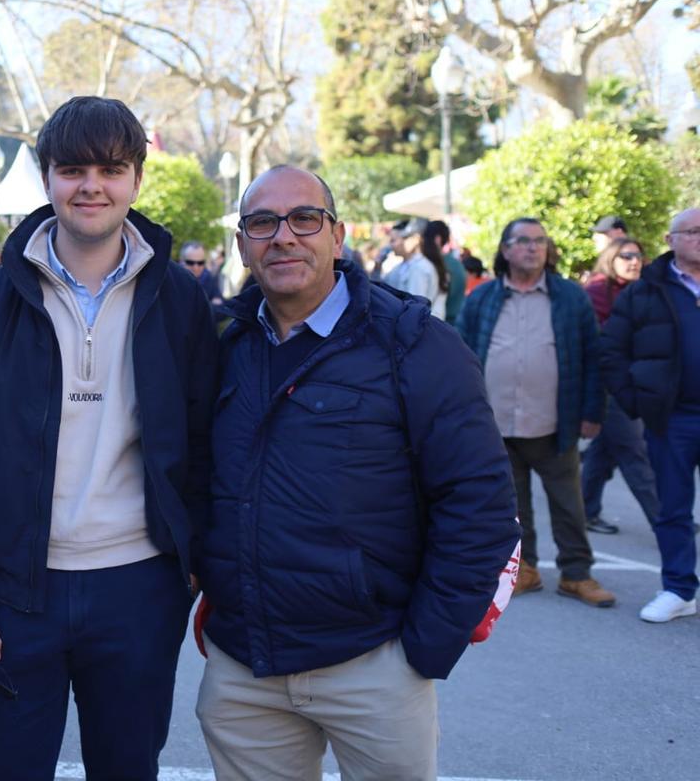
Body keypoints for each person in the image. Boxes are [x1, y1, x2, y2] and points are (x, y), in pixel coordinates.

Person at [193, 165, 517, 781]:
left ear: (337, 237)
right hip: (244, 673)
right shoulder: (224, 349)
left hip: (374, 666)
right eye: (261, 223)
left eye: (304, 219)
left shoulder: (417, 345)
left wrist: (423, 648)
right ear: (241, 245)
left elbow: (480, 507)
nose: (283, 236)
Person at [0, 96, 218, 781]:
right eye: (73, 169)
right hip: (13, 595)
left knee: (127, 769)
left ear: (137, 179)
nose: (92, 185)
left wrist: (195, 563)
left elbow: (205, 440)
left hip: (139, 589)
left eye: (111, 168)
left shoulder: (179, 298)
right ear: (47, 177)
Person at [457, 217, 615, 607]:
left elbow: (593, 357)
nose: (532, 248)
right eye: (523, 241)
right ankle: (524, 569)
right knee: (512, 507)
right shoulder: (483, 298)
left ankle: (576, 575)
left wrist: (593, 411)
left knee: (568, 505)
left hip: (553, 423)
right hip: (495, 425)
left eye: (539, 241)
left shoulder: (570, 297)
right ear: (505, 250)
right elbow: (458, 357)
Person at [601, 208, 700, 623]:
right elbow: (611, 351)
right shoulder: (645, 292)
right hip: (673, 418)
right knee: (672, 508)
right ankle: (679, 589)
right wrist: (637, 402)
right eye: (692, 231)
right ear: (670, 238)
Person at [580, 239, 660, 535]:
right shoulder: (597, 293)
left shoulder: (642, 291)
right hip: (607, 386)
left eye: (639, 255)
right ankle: (666, 522)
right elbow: (598, 346)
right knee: (634, 453)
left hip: (633, 383)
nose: (634, 261)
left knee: (604, 452)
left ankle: (586, 510)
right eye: (626, 255)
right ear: (611, 259)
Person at [385, 216, 446, 319]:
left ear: (415, 239)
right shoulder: (402, 267)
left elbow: (415, 310)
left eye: (394, 240)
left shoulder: (420, 268)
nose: (392, 245)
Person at [428, 220, 467, 323]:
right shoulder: (456, 264)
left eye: (424, 238)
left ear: (437, 239)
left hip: (442, 324)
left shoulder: (436, 265)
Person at [179, 240, 224, 306]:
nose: (196, 267)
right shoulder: (173, 279)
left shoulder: (208, 278)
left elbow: (220, 303)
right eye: (190, 263)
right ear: (181, 262)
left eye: (200, 263)